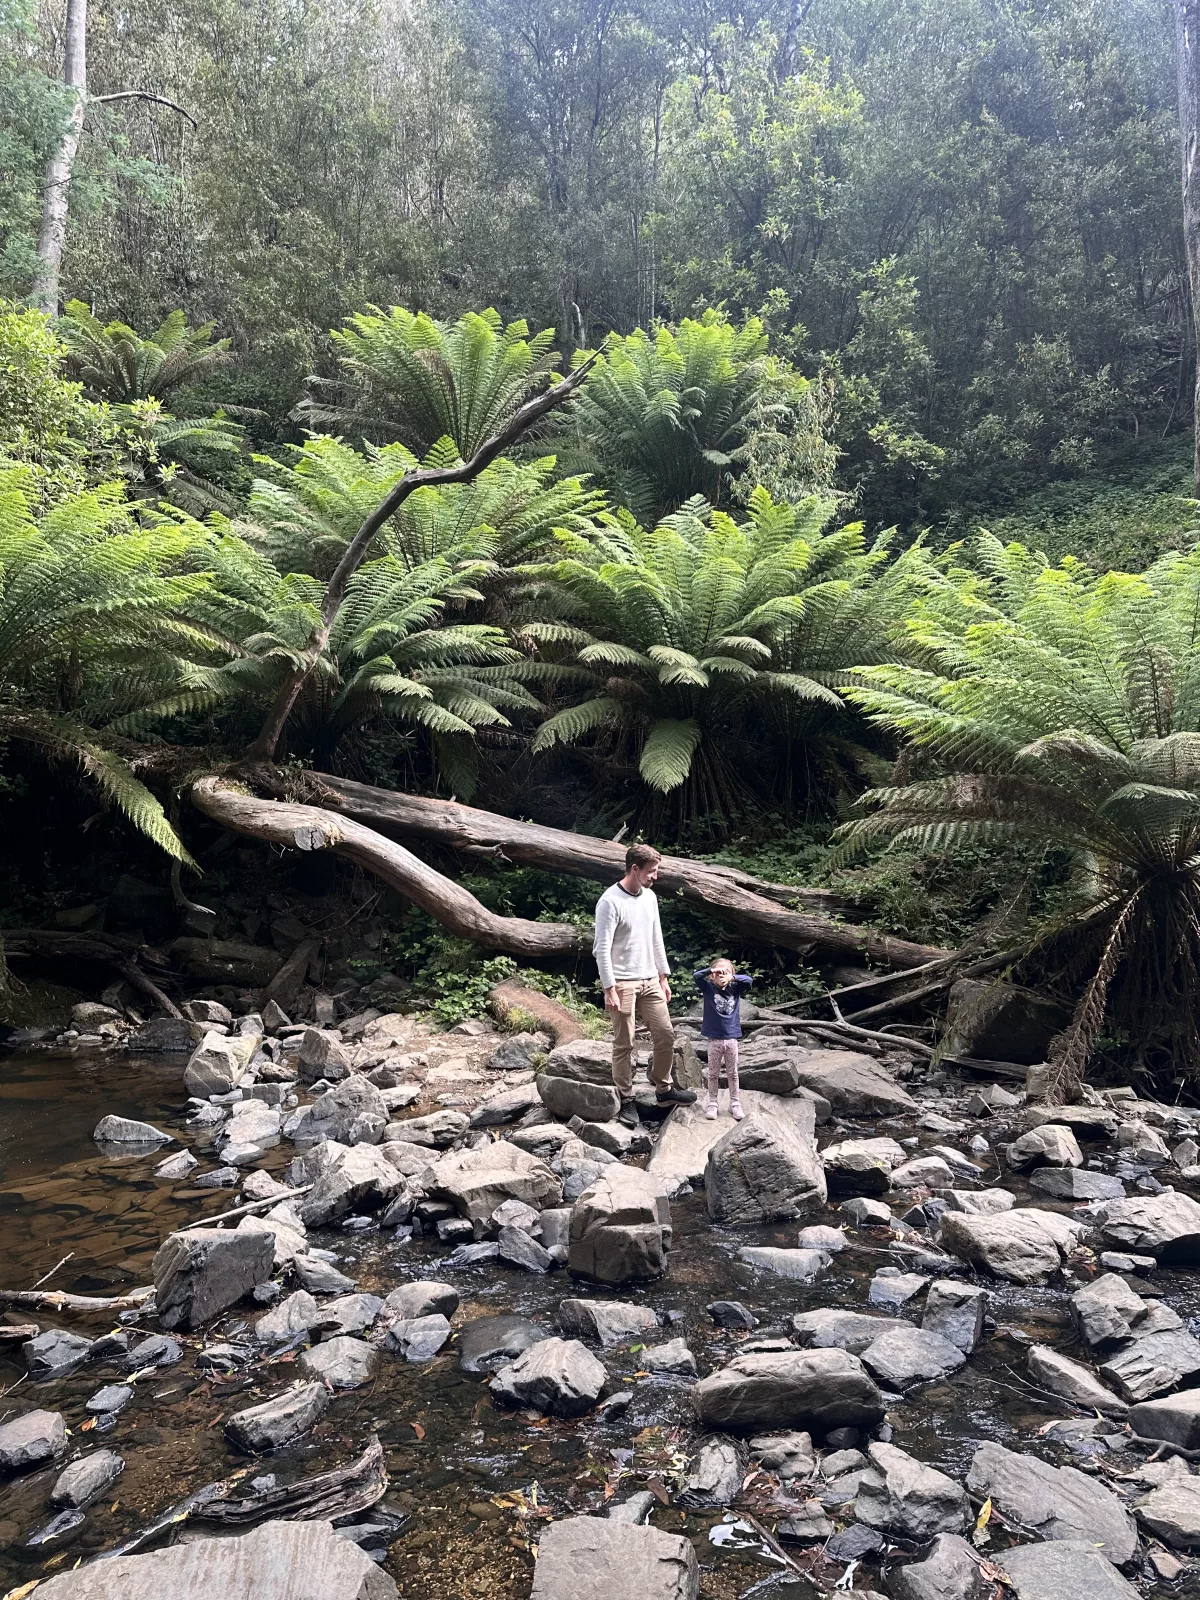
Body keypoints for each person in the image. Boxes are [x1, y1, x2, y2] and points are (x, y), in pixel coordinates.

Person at [593, 843, 697, 1127]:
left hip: (650, 979)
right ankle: (626, 1099)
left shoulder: (650, 897)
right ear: (634, 869)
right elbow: (601, 949)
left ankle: (663, 1090)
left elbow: (656, 938)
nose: (655, 876)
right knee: (624, 1044)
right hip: (622, 983)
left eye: (657, 871)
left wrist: (663, 976)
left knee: (665, 1034)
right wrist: (609, 988)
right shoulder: (610, 901)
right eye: (651, 871)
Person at [694, 957, 752, 1121]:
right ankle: (712, 1103)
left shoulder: (735, 988)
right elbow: (697, 976)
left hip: (732, 1038)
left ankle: (735, 1103)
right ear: (712, 976)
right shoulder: (708, 988)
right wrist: (712, 971)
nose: (721, 974)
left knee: (733, 1073)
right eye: (718, 972)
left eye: (725, 971)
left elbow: (749, 980)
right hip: (714, 1039)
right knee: (713, 1073)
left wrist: (731, 977)